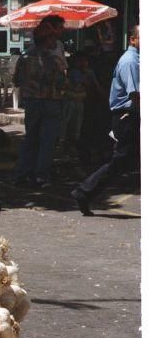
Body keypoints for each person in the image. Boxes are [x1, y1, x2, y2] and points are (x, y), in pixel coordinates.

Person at [72, 25, 140, 215]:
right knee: (120, 161)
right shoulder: (130, 62)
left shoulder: (138, 59)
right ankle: (84, 192)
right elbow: (135, 94)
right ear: (133, 40)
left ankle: (84, 192)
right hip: (128, 117)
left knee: (124, 161)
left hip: (130, 115)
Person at [11, 22, 68, 189]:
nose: (55, 41)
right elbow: (61, 82)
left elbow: (17, 80)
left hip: (31, 102)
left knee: (31, 139)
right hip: (50, 102)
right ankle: (42, 175)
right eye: (53, 38)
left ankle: (22, 173)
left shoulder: (24, 57)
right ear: (47, 39)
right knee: (47, 141)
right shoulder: (52, 60)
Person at [59, 52, 92, 157]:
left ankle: (68, 146)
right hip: (72, 101)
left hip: (78, 101)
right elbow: (77, 87)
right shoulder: (75, 73)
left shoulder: (84, 73)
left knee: (75, 124)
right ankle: (65, 146)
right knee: (69, 124)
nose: (85, 63)